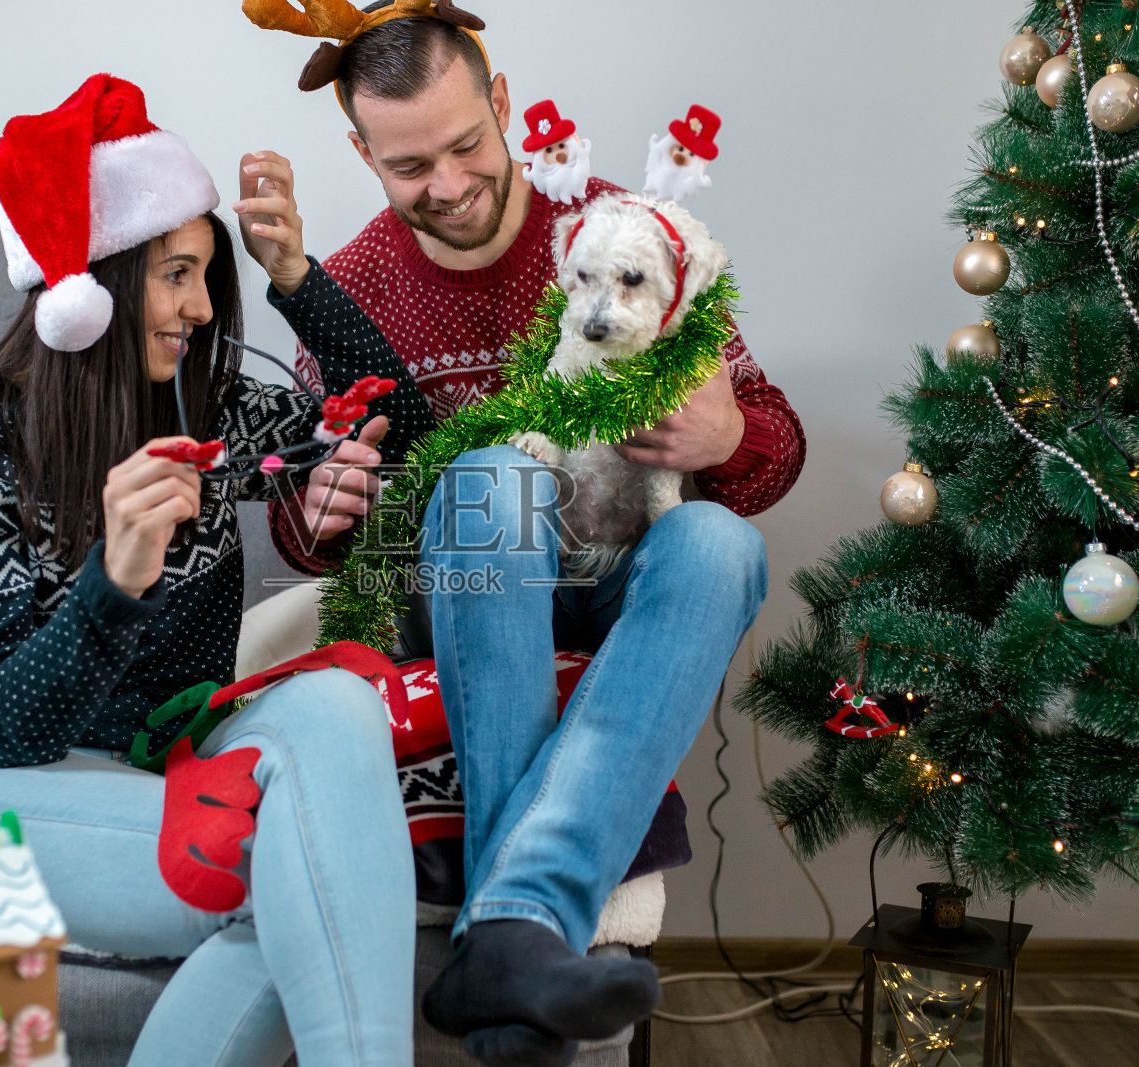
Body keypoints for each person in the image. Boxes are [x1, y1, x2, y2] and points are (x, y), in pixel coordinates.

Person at [241, 7, 806, 1065]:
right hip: (463, 593)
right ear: (362, 154)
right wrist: (318, 508)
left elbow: (773, 448)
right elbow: (306, 528)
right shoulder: (353, 286)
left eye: (466, 145)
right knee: (495, 474)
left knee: (722, 546)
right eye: (410, 166)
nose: (449, 184)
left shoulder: (622, 233)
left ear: (501, 103)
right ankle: (527, 921)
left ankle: (504, 950)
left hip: (624, 583)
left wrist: (728, 432)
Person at [0, 74, 434, 1067]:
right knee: (314, 874)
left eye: (206, 275)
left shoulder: (209, 420)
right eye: (177, 274)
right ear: (94, 286)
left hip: (157, 763)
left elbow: (410, 426)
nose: (203, 307)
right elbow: (9, 728)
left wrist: (295, 275)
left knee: (337, 706)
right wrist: (114, 582)